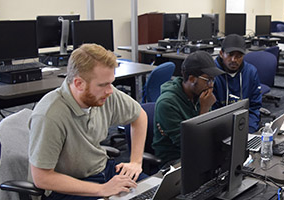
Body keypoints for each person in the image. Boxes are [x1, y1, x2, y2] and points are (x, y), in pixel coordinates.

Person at [29, 43, 148, 200]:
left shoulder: (105, 94)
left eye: (111, 82)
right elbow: (42, 178)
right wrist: (101, 189)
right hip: (67, 188)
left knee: (154, 191)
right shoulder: (50, 115)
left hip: (103, 170)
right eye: (103, 84)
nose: (110, 91)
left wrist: (135, 162)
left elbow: (139, 116)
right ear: (79, 83)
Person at [152, 51, 225, 167]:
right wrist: (204, 111)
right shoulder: (167, 103)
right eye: (208, 80)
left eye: (213, 80)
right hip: (174, 160)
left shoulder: (199, 95)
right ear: (191, 79)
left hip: (198, 152)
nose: (211, 85)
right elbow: (189, 145)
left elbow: (209, 133)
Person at [213, 34, 262, 133]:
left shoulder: (250, 72)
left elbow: (254, 106)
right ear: (221, 53)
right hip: (218, 129)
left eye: (239, 56)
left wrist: (248, 131)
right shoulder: (212, 74)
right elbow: (211, 111)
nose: (234, 60)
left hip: (244, 126)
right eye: (230, 55)